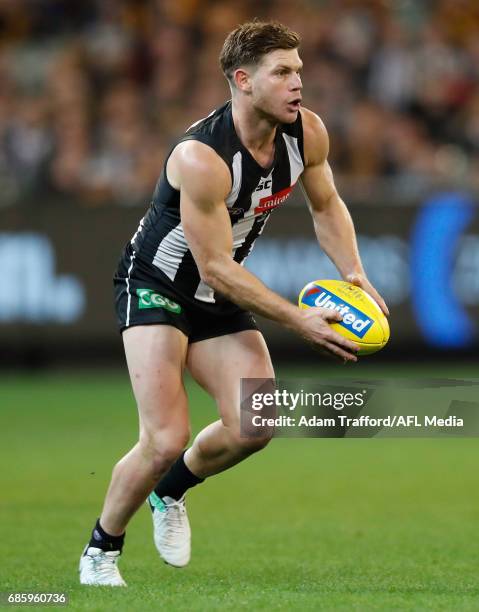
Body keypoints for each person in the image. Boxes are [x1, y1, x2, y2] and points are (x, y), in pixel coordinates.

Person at [79, 20, 388, 587]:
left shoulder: (306, 133)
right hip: (159, 285)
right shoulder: (201, 157)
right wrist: (298, 319)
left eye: (299, 70)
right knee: (165, 437)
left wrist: (354, 274)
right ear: (243, 81)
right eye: (283, 72)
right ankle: (101, 549)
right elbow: (217, 266)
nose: (298, 82)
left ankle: (169, 493)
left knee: (256, 424)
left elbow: (327, 205)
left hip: (216, 288)